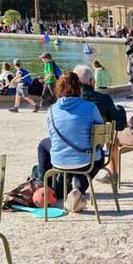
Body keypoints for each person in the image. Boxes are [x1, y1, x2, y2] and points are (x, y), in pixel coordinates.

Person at [37, 72, 106, 214]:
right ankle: (79, 190)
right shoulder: (90, 107)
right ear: (79, 88)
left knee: (43, 145)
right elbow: (101, 137)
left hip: (59, 162)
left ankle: (47, 188)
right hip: (87, 161)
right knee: (98, 156)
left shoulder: (51, 110)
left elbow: (52, 136)